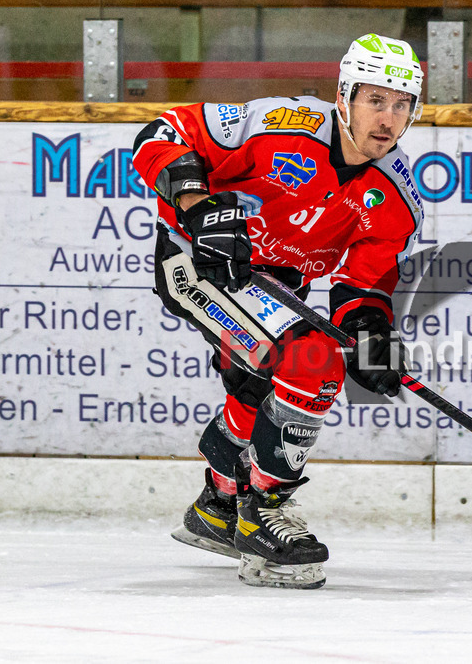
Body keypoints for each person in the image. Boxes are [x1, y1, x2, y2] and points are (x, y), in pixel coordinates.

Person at [132, 33, 425, 589]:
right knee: (311, 359)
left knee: (260, 385)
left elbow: (363, 285)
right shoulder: (282, 123)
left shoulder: (396, 195)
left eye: (402, 104)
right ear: (344, 95)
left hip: (279, 284)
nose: (388, 118)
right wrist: (198, 208)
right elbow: (163, 131)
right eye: (375, 100)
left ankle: (217, 506)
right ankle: (262, 511)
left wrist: (371, 333)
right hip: (200, 263)